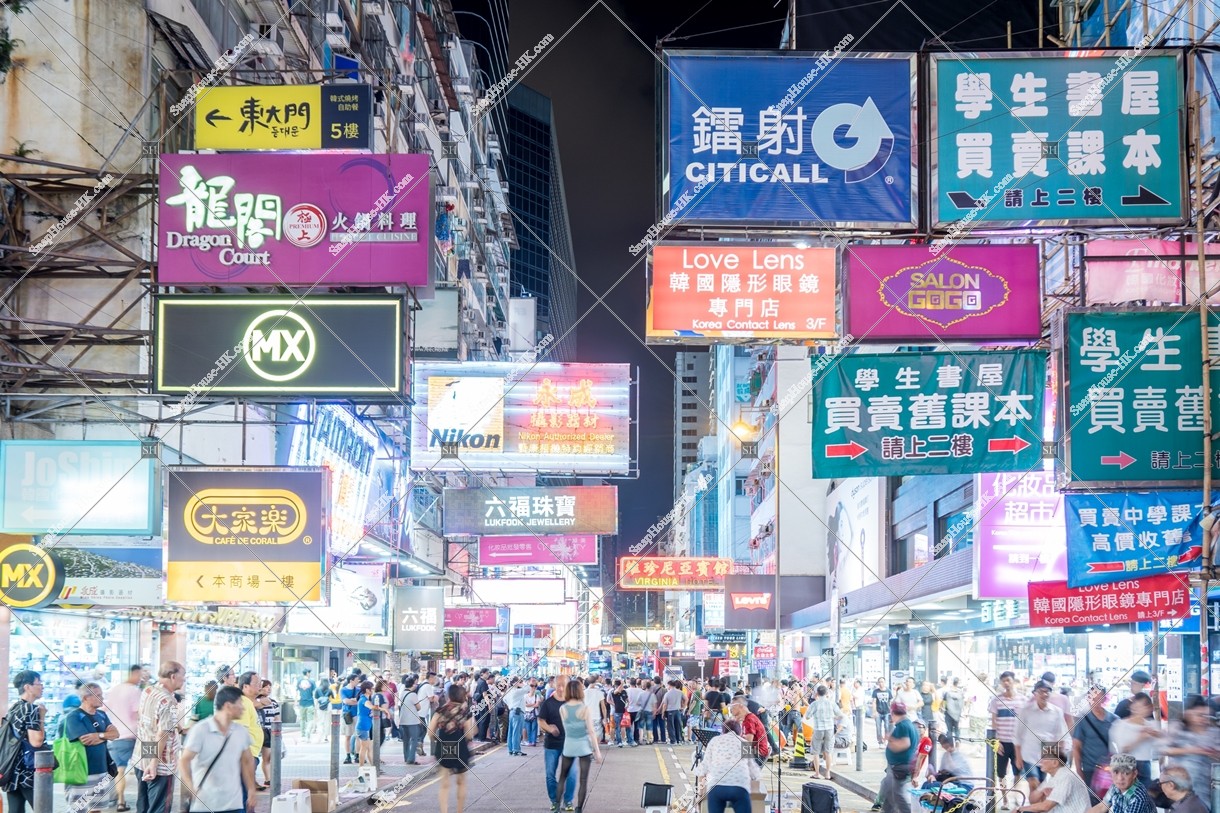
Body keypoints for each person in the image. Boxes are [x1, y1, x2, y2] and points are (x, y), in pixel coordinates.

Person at [178, 685, 256, 813]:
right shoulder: (201, 730)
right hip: (204, 803)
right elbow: (184, 761)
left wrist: (251, 790)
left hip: (233, 803)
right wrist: (190, 786)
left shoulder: (240, 732)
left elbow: (247, 761)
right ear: (228, 706)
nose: (243, 707)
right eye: (240, 703)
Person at [135, 662, 186, 813]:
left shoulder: (148, 690)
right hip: (161, 764)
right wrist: (153, 763)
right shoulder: (168, 701)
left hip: (142, 754)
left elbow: (150, 725)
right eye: (183, 676)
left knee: (143, 806)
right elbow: (162, 733)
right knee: (159, 808)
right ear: (173, 676)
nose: (184, 680)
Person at [63, 682, 119, 813]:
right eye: (98, 695)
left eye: (102, 695)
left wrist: (98, 735)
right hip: (81, 772)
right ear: (85, 698)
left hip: (101, 770)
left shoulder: (102, 715)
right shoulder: (74, 716)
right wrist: (106, 735)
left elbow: (115, 734)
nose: (102, 698)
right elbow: (86, 740)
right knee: (78, 809)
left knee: (97, 808)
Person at [550, 680, 604, 813]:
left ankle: (556, 806)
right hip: (584, 746)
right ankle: (579, 809)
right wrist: (597, 751)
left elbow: (566, 727)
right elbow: (591, 731)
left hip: (568, 745)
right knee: (583, 780)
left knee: (562, 777)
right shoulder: (585, 709)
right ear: (580, 691)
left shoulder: (562, 708)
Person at [1161, 694, 1220, 810]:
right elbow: (1163, 749)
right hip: (1180, 789)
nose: (1203, 719)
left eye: (1206, 716)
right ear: (1188, 714)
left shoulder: (1214, 733)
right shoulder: (1177, 729)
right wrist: (1194, 750)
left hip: (1205, 788)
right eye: (1199, 715)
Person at [692, 719, 761, 813]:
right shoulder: (744, 743)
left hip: (717, 786)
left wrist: (699, 796)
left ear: (723, 731)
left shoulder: (714, 741)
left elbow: (703, 769)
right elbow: (754, 772)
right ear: (740, 732)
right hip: (739, 787)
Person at [1016, 681, 1072, 796]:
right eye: (1041, 692)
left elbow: (1061, 735)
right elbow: (1017, 735)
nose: (1044, 694)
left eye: (1047, 692)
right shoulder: (1025, 711)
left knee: (1042, 786)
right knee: (1033, 783)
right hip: (1029, 754)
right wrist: (1018, 757)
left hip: (1048, 754)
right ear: (1035, 694)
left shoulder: (1056, 712)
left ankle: (1036, 808)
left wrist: (1059, 757)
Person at [427, 684, 475, 813]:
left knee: (444, 784)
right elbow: (470, 733)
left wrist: (439, 741)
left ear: (449, 695)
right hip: (460, 747)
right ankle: (459, 811)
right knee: (461, 782)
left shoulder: (440, 710)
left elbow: (430, 732)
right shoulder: (465, 712)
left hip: (444, 747)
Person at [105, 664, 144, 813]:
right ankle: (142, 802)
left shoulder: (114, 690)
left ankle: (120, 801)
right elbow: (138, 713)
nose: (140, 678)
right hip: (133, 736)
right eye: (139, 675)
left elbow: (107, 709)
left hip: (116, 736)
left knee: (120, 771)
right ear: (134, 673)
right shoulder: (134, 691)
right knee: (142, 770)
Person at [539, 677, 578, 811]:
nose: (561, 688)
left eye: (564, 685)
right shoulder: (547, 703)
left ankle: (568, 801)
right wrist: (550, 729)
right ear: (554, 684)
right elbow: (541, 720)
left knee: (572, 774)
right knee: (550, 774)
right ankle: (555, 801)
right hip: (551, 745)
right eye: (559, 685)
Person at [1015, 745, 1090, 813]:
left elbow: (1045, 807)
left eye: (1044, 758)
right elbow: (1032, 800)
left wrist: (1020, 809)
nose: (1040, 761)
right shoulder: (1052, 777)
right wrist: (1041, 791)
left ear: (1055, 763)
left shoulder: (1066, 777)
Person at [1108, 693, 1162, 785]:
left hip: (1145, 766)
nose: (1139, 710)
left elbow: (1163, 747)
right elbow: (1121, 751)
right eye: (1136, 706)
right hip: (1126, 767)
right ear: (1131, 707)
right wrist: (1140, 738)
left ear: (1149, 708)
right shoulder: (1120, 725)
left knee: (1144, 796)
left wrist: (1158, 736)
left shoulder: (1152, 725)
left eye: (1143, 706)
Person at [989, 671, 1024, 809]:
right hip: (1002, 743)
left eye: (1008, 680)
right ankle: (1004, 800)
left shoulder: (1023, 700)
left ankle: (1015, 797)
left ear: (1014, 681)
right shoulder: (996, 700)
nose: (1006, 683)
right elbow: (993, 722)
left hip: (1018, 744)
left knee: (1018, 773)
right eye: (1003, 681)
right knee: (1001, 773)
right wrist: (996, 742)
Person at [882, 702, 919, 813]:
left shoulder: (903, 726)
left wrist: (890, 739)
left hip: (900, 764)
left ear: (892, 713)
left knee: (897, 794)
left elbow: (904, 744)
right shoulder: (908, 725)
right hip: (900, 764)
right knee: (888, 789)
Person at [1087, 753, 1155, 813]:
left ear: (1134, 774)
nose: (1120, 778)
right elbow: (1102, 807)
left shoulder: (1138, 797)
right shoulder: (1115, 787)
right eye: (1116, 772)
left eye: (1126, 773)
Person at [234, 672, 264, 797]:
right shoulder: (243, 703)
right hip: (247, 756)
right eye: (256, 683)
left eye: (260, 683)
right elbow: (241, 732)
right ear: (245, 686)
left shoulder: (247, 702)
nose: (260, 686)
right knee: (243, 795)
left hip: (250, 754)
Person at [804, 684, 836, 780]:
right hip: (829, 729)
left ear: (817, 693)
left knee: (816, 752)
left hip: (818, 729)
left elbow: (807, 716)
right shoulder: (831, 703)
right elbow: (838, 714)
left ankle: (817, 773)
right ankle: (827, 774)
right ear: (826, 693)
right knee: (828, 751)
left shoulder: (814, 704)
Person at [255, 680, 280, 788]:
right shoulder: (255, 701)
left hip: (270, 731)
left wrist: (278, 733)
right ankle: (254, 779)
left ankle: (268, 779)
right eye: (266, 687)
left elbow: (277, 718)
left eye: (270, 687)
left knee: (267, 758)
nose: (268, 689)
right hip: (258, 731)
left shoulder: (274, 702)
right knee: (253, 757)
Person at [339, 672, 361, 764]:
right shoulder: (343, 690)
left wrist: (353, 701)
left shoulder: (359, 689)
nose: (358, 681)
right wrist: (355, 701)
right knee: (347, 736)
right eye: (356, 680)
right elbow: (346, 701)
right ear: (351, 681)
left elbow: (361, 700)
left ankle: (357, 755)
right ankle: (348, 755)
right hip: (347, 715)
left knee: (358, 736)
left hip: (357, 714)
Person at [354, 681, 377, 768]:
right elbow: (372, 707)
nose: (373, 690)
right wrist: (382, 709)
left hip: (365, 726)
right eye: (372, 688)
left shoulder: (364, 699)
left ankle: (373, 767)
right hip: (363, 726)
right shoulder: (364, 699)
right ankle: (361, 767)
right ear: (367, 690)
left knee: (368, 748)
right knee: (364, 748)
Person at [504, 678, 528, 756]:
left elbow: (504, 699)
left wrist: (510, 705)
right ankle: (516, 749)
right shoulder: (516, 691)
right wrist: (523, 684)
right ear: (515, 683)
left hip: (512, 711)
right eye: (519, 682)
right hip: (518, 712)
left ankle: (511, 749)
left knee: (511, 731)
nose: (520, 683)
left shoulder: (508, 691)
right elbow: (527, 688)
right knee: (517, 731)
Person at [661, 680, 686, 746]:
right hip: (678, 711)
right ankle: (679, 740)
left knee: (671, 726)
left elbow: (665, 704)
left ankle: (673, 740)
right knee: (678, 726)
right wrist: (683, 706)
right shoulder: (680, 692)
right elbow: (686, 699)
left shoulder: (667, 693)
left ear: (669, 685)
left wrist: (663, 712)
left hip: (670, 711)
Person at [296, 670, 316, 743]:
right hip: (310, 703)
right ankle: (308, 731)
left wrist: (296, 702)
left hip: (302, 703)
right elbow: (314, 693)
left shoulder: (299, 681)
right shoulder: (312, 682)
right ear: (307, 673)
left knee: (302, 719)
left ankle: (303, 735)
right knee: (310, 719)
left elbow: (297, 692)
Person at [942, 679, 964, 744]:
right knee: (956, 728)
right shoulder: (961, 693)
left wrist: (943, 709)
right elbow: (962, 703)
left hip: (948, 713)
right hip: (957, 714)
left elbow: (944, 702)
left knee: (949, 729)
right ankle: (957, 740)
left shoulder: (947, 692)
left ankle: (950, 743)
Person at [472, 669, 491, 742]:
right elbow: (485, 694)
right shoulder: (483, 682)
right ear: (482, 674)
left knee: (482, 720)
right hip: (483, 704)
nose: (488, 674)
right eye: (487, 673)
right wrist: (489, 705)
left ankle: (482, 737)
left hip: (479, 703)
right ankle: (482, 737)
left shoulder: (480, 681)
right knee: (484, 720)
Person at [873, 678, 893, 747]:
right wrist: (874, 711)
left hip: (887, 712)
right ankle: (880, 742)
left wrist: (892, 711)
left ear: (885, 682)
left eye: (882, 682)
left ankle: (886, 740)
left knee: (887, 727)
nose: (881, 683)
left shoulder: (888, 691)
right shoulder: (875, 691)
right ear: (878, 683)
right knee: (878, 727)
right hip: (878, 712)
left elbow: (890, 702)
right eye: (879, 682)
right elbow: (874, 702)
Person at [609, 680, 628, 748]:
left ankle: (623, 740)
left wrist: (627, 705)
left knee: (623, 727)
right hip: (617, 712)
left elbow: (627, 700)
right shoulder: (614, 692)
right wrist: (622, 684)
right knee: (617, 727)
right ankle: (619, 742)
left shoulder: (624, 692)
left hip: (623, 711)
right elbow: (617, 691)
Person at [525, 679, 542, 748]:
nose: (533, 688)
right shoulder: (525, 696)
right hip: (527, 714)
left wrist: (530, 704)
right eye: (531, 686)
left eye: (534, 686)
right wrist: (533, 704)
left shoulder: (536, 696)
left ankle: (533, 741)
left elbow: (537, 705)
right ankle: (529, 741)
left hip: (534, 713)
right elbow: (525, 704)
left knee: (534, 728)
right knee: (528, 728)